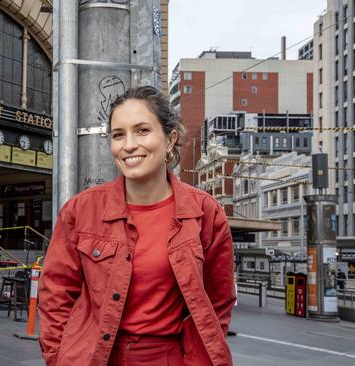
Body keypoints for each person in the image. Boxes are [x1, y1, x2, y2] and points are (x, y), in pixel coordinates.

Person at [38, 86, 236, 366]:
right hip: (94, 357)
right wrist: (58, 357)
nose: (129, 144)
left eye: (142, 130)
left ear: (170, 140)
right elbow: (56, 293)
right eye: (119, 135)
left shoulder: (205, 213)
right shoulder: (81, 211)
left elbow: (219, 299)